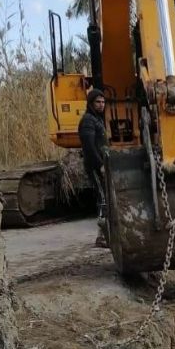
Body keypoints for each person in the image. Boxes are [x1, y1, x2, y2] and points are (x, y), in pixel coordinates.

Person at [79, 88, 109, 248]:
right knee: (103, 199)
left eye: (103, 102)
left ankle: (107, 234)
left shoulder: (97, 120)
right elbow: (89, 147)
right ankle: (101, 237)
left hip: (102, 165)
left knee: (107, 198)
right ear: (91, 103)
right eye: (98, 102)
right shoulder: (88, 121)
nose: (101, 105)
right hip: (95, 166)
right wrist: (100, 165)